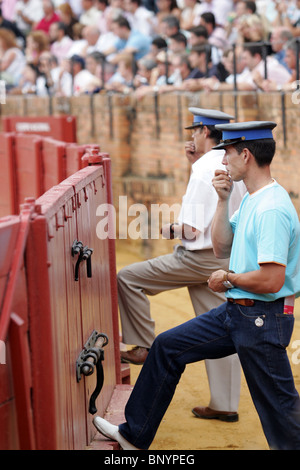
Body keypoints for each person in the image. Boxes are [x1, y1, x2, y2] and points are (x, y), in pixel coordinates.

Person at [93, 120, 300, 450]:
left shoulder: (271, 208)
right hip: (238, 314)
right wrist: (222, 200)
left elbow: (272, 279)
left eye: (227, 153)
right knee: (166, 347)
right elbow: (221, 247)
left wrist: (228, 278)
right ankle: (133, 435)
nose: (222, 161)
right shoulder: (251, 197)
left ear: (245, 155)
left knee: (281, 411)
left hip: (262, 320)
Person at [117, 108, 246, 422]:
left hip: (197, 259)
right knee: (220, 328)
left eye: (194, 131)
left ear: (204, 131)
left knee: (128, 277)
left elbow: (191, 229)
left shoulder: (204, 168)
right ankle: (225, 404)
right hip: (226, 256)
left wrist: (169, 229)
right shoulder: (232, 162)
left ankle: (144, 343)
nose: (191, 137)